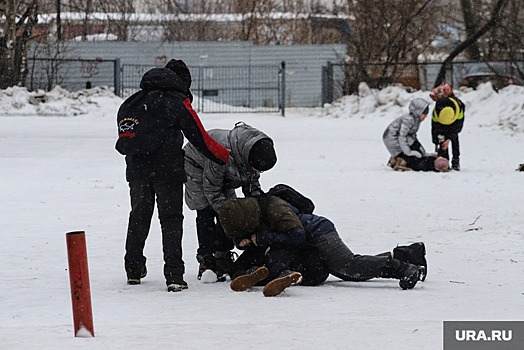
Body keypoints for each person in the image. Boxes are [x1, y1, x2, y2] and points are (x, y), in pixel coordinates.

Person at [115, 59, 230, 292]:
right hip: (167, 170)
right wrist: (226, 157)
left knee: (139, 216)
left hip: (137, 169)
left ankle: (133, 269)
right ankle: (174, 275)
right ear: (182, 82)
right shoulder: (177, 101)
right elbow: (200, 138)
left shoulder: (134, 102)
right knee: (171, 220)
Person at [218, 195, 427, 296]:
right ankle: (405, 254)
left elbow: (297, 236)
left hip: (319, 232)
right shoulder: (251, 215)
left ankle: (406, 269)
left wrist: (263, 238)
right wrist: (243, 241)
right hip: (308, 245)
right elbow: (246, 235)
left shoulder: (274, 209)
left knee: (348, 266)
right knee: (347, 270)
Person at [183, 122, 277, 281]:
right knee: (206, 211)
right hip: (197, 163)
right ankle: (206, 259)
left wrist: (257, 210)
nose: (257, 173)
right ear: (250, 161)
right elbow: (211, 190)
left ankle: (222, 255)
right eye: (257, 169)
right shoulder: (223, 153)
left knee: (231, 210)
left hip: (225, 171)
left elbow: (252, 187)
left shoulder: (253, 153)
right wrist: (232, 214)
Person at [383, 97, 439, 172]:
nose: (425, 116)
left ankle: (396, 159)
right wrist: (408, 152)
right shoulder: (408, 120)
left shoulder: (416, 120)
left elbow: (413, 135)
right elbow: (402, 136)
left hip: (401, 138)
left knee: (415, 147)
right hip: (392, 138)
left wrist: (422, 152)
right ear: (418, 111)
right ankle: (402, 162)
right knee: (411, 156)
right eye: (424, 113)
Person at [430, 83, 465, 171]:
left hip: (454, 125)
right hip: (440, 126)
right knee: (442, 141)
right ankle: (443, 161)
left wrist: (449, 139)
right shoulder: (437, 109)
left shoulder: (459, 106)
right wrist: (436, 142)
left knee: (454, 139)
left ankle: (455, 161)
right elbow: (434, 126)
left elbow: (457, 127)